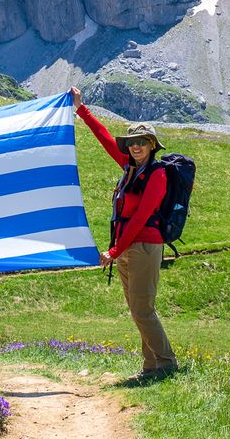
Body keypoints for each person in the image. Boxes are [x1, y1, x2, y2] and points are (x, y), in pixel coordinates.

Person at [70, 87, 178, 381]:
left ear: (152, 145)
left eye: (142, 142)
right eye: (132, 143)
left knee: (143, 310)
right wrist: (82, 110)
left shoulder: (157, 175)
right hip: (127, 248)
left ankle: (167, 363)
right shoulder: (130, 169)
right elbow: (106, 140)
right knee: (138, 311)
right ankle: (150, 367)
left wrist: (114, 251)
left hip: (144, 247)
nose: (136, 147)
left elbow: (141, 217)